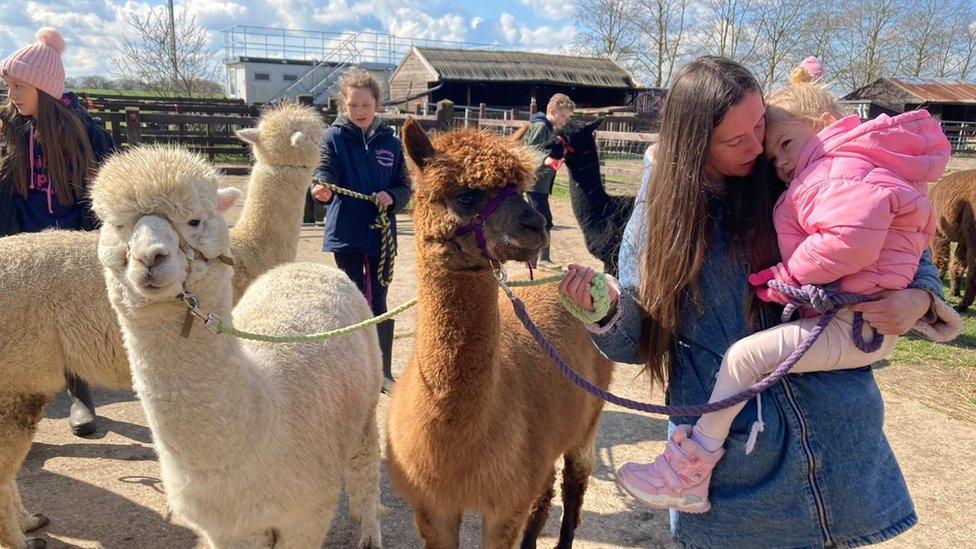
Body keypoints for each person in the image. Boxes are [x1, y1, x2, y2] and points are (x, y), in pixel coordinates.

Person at [559, 56, 959, 548]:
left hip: (837, 441)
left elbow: (894, 228)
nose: (756, 146)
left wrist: (920, 296)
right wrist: (604, 313)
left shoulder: (790, 169)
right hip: (738, 469)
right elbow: (640, 340)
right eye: (735, 140)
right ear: (693, 144)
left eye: (759, 125)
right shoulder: (662, 219)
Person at [0, 27, 117, 437]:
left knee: (69, 315)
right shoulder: (10, 131)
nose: (11, 94)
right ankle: (21, 408)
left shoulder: (86, 132)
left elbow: (107, 184)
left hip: (72, 237)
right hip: (23, 234)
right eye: (8, 85)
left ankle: (80, 392)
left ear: (45, 88)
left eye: (19, 86)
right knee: (23, 321)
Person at [311, 69, 411, 395]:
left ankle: (381, 370)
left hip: (381, 235)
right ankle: (352, 370)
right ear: (345, 104)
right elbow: (324, 171)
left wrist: (393, 196)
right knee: (354, 297)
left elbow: (405, 186)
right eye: (353, 105)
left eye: (365, 104)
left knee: (378, 299)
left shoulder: (392, 145)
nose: (360, 111)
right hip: (348, 231)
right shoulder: (334, 138)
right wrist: (322, 188)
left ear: (377, 104)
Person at [523, 93, 574, 269]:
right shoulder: (540, 126)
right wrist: (544, 160)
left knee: (543, 218)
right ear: (552, 111)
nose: (564, 121)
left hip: (540, 183)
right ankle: (538, 261)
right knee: (542, 219)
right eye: (563, 116)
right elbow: (529, 151)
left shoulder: (549, 128)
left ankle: (537, 261)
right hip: (534, 182)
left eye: (567, 118)